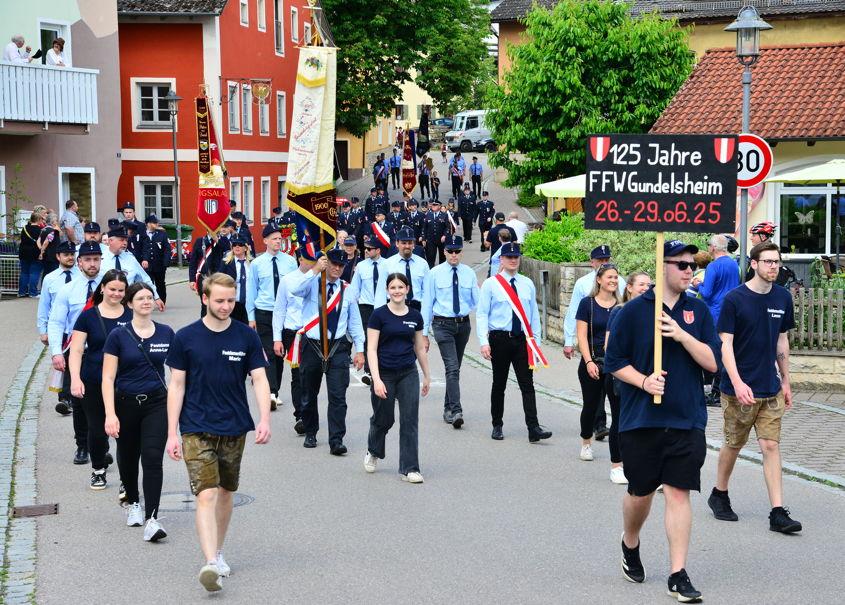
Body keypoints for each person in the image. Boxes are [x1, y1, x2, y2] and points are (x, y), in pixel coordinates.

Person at [604, 239, 720, 603]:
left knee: (678, 492)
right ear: (662, 266)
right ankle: (630, 541)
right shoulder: (633, 311)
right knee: (640, 493)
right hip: (641, 419)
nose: (689, 270)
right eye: (681, 264)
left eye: (692, 265)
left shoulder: (697, 312)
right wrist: (643, 380)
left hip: (686, 418)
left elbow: (713, 363)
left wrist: (682, 335)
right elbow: (613, 362)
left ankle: (678, 573)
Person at [165, 273, 272, 592]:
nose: (226, 306)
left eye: (231, 301)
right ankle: (210, 562)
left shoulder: (246, 337)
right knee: (206, 493)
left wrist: (264, 418)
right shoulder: (186, 337)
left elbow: (260, 379)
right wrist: (172, 432)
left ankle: (219, 551)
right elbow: (177, 385)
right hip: (196, 425)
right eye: (219, 300)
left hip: (234, 424)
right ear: (204, 299)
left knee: (226, 491)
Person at [708, 240, 801, 534]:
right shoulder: (735, 299)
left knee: (770, 445)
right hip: (738, 387)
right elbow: (726, 344)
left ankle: (777, 512)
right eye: (768, 261)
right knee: (734, 444)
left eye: (777, 262)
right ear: (754, 264)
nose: (774, 266)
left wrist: (786, 380)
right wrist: (736, 382)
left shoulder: (783, 298)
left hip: (769, 387)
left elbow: (781, 340)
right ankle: (719, 493)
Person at [102, 283, 175, 541]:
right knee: (129, 456)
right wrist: (110, 414)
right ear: (129, 304)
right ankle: (133, 502)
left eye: (149, 298)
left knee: (153, 458)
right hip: (125, 404)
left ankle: (152, 518)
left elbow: (177, 376)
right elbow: (108, 377)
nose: (146, 302)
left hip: (156, 403)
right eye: (140, 298)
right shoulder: (118, 336)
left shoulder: (166, 333)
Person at [477, 243, 552, 443]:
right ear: (501, 260)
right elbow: (482, 314)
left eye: (516, 256)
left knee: (527, 385)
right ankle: (497, 424)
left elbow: (533, 314)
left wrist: (535, 341)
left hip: (522, 340)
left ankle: (533, 427)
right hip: (499, 339)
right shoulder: (491, 284)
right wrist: (484, 342)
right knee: (499, 383)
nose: (513, 260)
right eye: (509, 256)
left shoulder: (527, 283)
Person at [291, 250, 365, 453]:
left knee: (338, 396)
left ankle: (336, 440)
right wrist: (315, 270)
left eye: (341, 266)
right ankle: (311, 431)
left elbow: (355, 322)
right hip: (312, 345)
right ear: (326, 263)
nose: (338, 269)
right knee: (308, 393)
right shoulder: (312, 283)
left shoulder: (347, 289)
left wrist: (360, 349)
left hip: (337, 347)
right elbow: (295, 290)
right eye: (334, 264)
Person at [364, 272, 431, 482]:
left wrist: (427, 376)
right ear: (387, 291)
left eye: (400, 287)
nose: (397, 291)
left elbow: (419, 348)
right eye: (393, 288)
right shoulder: (378, 315)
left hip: (407, 372)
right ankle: (373, 450)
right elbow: (371, 349)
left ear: (407, 290)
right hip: (384, 373)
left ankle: (410, 468)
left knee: (410, 419)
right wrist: (376, 379)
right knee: (384, 418)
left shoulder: (415, 316)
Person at [69, 270, 130, 490]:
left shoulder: (130, 315)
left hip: (124, 382)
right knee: (97, 429)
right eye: (112, 289)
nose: (116, 294)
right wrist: (75, 379)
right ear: (102, 288)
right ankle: (98, 469)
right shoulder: (88, 316)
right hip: (93, 379)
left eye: (121, 290)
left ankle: (127, 477)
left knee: (125, 430)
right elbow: (76, 350)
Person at [47, 241, 105, 465]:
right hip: (76, 353)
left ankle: (101, 446)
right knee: (79, 402)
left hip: (104, 352)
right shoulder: (68, 290)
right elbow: (56, 322)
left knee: (105, 400)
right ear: (79, 262)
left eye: (96, 259)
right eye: (88, 259)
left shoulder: (109, 287)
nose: (92, 264)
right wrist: (56, 353)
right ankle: (82, 445)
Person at [563, 245, 624, 437]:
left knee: (617, 404)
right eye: (601, 260)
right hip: (593, 354)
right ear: (593, 263)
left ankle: (609, 435)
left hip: (615, 357)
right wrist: (568, 340)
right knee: (592, 401)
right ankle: (590, 434)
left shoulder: (620, 289)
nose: (604, 263)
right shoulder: (583, 287)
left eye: (607, 259)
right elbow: (575, 315)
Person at [421, 235, 479, 428]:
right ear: (444, 251)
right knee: (452, 367)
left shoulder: (469, 273)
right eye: (450, 251)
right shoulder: (435, 273)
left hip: (462, 325)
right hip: (442, 324)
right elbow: (427, 303)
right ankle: (456, 410)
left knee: (454, 369)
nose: (454, 255)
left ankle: (447, 407)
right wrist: (424, 335)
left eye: (457, 251)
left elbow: (476, 301)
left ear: (461, 252)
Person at [604, 271, 651, 485]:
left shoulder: (654, 312)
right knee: (620, 420)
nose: (645, 288)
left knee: (647, 422)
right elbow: (609, 347)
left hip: (647, 377)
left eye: (649, 285)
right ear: (629, 287)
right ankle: (617, 465)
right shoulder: (619, 311)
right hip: (623, 376)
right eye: (641, 284)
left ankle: (647, 468)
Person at [247, 224, 298, 410]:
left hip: (284, 314)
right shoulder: (257, 264)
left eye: (279, 238)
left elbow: (295, 287)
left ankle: (274, 389)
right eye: (274, 238)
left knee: (280, 353)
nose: (278, 241)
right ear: (265, 241)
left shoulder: (290, 262)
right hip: (265, 311)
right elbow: (252, 292)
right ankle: (272, 393)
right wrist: (251, 317)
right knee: (268, 352)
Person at [575, 263, 620, 463]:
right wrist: (588, 361)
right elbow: (582, 336)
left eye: (616, 277)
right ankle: (586, 442)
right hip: (593, 361)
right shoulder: (588, 304)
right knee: (591, 405)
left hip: (616, 365)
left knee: (618, 409)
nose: (613, 280)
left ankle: (619, 452)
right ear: (599, 280)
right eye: (609, 277)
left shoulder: (621, 305)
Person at [272, 246, 317, 436]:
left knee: (312, 376)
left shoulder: (319, 280)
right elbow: (279, 309)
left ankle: (309, 412)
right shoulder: (288, 280)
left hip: (313, 332)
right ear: (300, 259)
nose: (313, 262)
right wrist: (277, 338)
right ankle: (300, 415)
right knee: (297, 375)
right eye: (309, 259)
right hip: (293, 332)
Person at [693, 234, 739, 406]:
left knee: (716, 352)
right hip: (732, 312)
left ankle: (717, 392)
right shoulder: (733, 264)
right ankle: (722, 389)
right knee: (728, 351)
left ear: (713, 247)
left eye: (708, 245)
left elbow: (707, 293)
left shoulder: (713, 266)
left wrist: (698, 284)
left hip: (714, 313)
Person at [37, 241, 78, 415]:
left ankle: (74, 397)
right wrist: (43, 330)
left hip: (78, 328)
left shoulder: (80, 276)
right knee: (65, 364)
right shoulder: (50, 278)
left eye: (72, 254)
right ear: (58, 257)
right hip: (60, 329)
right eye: (66, 254)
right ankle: (65, 399)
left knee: (79, 363)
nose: (70, 257)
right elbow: (44, 305)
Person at [100, 226, 165, 311]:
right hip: (106, 303)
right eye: (121, 240)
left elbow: (144, 279)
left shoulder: (130, 258)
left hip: (127, 303)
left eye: (126, 240)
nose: (125, 243)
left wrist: (156, 297)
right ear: (110, 241)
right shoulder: (100, 259)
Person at [351, 239, 388, 383]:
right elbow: (355, 289)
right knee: (367, 339)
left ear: (378, 250)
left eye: (370, 249)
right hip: (366, 307)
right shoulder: (361, 266)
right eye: (365, 248)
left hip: (383, 306)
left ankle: (382, 369)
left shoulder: (387, 264)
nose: (366, 251)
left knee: (383, 339)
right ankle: (369, 371)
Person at [385, 227, 429, 312]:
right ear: (397, 243)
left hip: (416, 307)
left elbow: (427, 291)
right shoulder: (387, 264)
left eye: (410, 243)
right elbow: (381, 292)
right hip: (394, 306)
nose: (407, 246)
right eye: (404, 243)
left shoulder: (423, 264)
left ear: (414, 244)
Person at [189, 230, 231, 317]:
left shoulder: (224, 240)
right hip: (203, 278)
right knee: (205, 304)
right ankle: (204, 326)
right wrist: (192, 279)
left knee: (218, 304)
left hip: (218, 278)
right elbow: (193, 261)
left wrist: (216, 239)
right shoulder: (200, 241)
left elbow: (227, 250)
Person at [219, 235, 253, 324]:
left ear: (246, 248)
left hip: (248, 303)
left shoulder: (253, 263)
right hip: (232, 303)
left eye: (240, 244)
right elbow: (219, 282)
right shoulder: (226, 262)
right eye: (234, 244)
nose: (237, 247)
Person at [143, 215, 172, 304]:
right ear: (148, 224)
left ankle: (162, 301)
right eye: (154, 223)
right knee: (148, 283)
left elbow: (167, 249)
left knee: (160, 284)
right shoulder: (142, 234)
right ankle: (150, 301)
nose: (156, 224)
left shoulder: (162, 234)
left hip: (159, 264)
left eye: (157, 222)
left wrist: (165, 263)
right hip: (147, 264)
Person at [18, 214, 43, 297]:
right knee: (34, 273)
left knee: (24, 272)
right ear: (38, 220)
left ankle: (21, 292)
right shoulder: (40, 230)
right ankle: (33, 293)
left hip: (23, 252)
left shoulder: (24, 228)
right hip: (35, 252)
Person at [422, 199, 449, 267]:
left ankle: (442, 271)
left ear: (439, 206)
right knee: (430, 257)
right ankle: (431, 271)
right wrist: (423, 239)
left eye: (435, 205)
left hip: (441, 239)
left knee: (442, 257)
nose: (433, 206)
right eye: (433, 205)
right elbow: (425, 228)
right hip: (431, 240)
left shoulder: (444, 215)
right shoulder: (428, 214)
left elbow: (447, 227)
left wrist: (445, 235)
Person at [38, 213, 62, 279]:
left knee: (45, 274)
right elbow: (46, 242)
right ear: (53, 222)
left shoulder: (43, 230)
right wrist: (41, 252)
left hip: (46, 256)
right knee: (53, 275)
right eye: (56, 221)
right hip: (52, 257)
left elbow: (38, 240)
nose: (57, 222)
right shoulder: (53, 231)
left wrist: (41, 250)